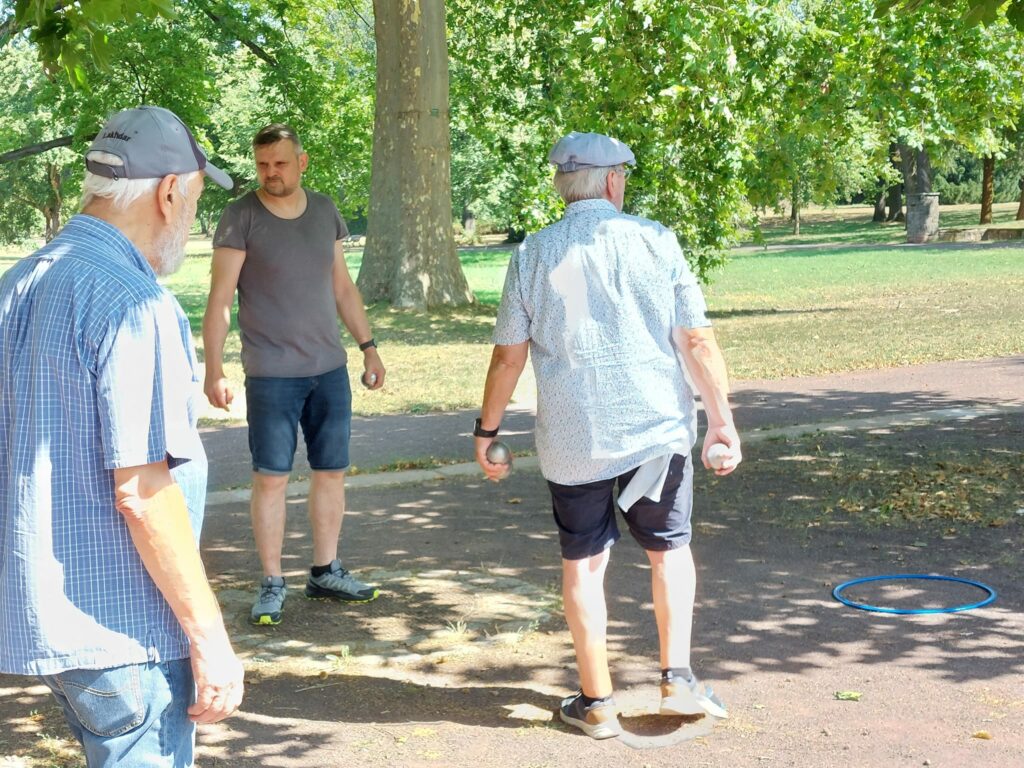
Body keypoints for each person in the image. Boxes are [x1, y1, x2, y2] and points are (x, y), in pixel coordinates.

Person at [475, 132, 742, 740]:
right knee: (668, 549)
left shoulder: (533, 253)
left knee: (584, 564)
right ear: (614, 181)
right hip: (653, 433)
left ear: (560, 184)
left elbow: (507, 358)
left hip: (575, 442)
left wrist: (486, 430)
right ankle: (677, 681)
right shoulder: (655, 241)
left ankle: (596, 702)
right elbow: (696, 341)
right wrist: (721, 422)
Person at [0, 105, 244, 766]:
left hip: (47, 618)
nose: (191, 219)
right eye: (194, 200)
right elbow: (143, 491)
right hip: (123, 632)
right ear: (170, 192)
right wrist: (210, 638)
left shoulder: (19, 283)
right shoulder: (135, 301)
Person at [203, 123, 386, 626]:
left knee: (331, 472)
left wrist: (368, 348)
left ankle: (325, 571)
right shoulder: (240, 215)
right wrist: (214, 369)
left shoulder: (325, 211)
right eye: (263, 165)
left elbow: (343, 289)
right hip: (271, 375)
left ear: (301, 162)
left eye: (281, 164)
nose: (271, 174)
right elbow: (220, 300)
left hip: (328, 369)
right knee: (272, 479)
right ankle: (271, 581)